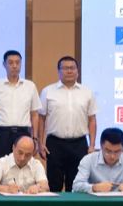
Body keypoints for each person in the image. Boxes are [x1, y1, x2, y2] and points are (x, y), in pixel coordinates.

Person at [38, 55, 97, 192]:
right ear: (58, 71)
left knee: (76, 185)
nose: (69, 71)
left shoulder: (87, 92)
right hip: (55, 143)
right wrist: (40, 143)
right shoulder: (48, 91)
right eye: (65, 68)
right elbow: (41, 119)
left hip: (79, 144)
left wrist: (92, 145)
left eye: (72, 68)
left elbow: (92, 119)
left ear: (77, 71)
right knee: (54, 183)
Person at [0, 50, 41, 163]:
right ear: (4, 64)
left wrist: (35, 138)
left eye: (17, 62)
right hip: (1, 135)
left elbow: (35, 115)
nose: (14, 66)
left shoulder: (30, 86)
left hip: (23, 134)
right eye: (10, 62)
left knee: (24, 169)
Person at [73, 127, 123, 194]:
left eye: (117, 151)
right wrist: (94, 187)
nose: (112, 156)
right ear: (101, 146)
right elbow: (76, 185)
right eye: (108, 151)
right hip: (96, 200)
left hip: (119, 200)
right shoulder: (89, 159)